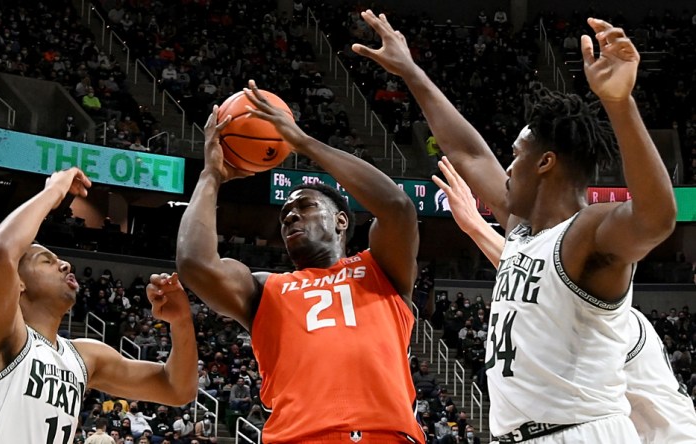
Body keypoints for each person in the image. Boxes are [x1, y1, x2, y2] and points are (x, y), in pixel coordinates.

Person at [353, 11, 677, 442]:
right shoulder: (523, 227)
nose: (507, 166)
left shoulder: (586, 232)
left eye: (517, 154)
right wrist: (412, 71)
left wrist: (620, 103)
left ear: (545, 163)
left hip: (581, 432)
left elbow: (656, 220)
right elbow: (468, 152)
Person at [177, 79, 423, 443]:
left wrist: (301, 141)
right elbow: (195, 263)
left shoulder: (380, 268)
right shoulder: (265, 288)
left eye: (305, 207)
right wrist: (211, 174)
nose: (290, 216)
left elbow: (397, 207)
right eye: (285, 214)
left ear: (341, 220)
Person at [434, 156, 696, 443]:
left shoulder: (608, 323)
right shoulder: (577, 300)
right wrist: (475, 226)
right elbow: (533, 277)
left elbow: (540, 280)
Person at [0, 168, 198, 443]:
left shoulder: (85, 357)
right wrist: (54, 192)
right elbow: (0, 252)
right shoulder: (2, 336)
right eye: (46, 261)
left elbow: (178, 388)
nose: (65, 264)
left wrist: (181, 322)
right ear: (18, 282)